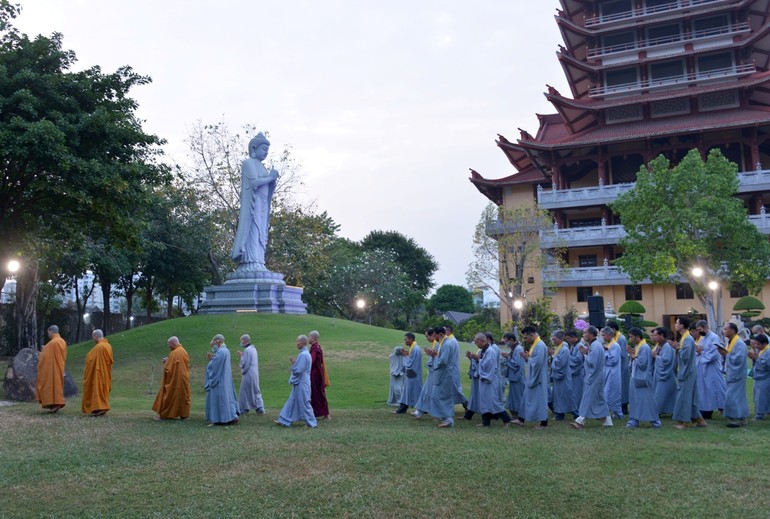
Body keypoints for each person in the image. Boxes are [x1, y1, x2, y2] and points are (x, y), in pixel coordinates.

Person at [230, 132, 279, 271]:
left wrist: (272, 180)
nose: (266, 153)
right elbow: (254, 183)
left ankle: (258, 260)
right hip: (254, 203)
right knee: (254, 229)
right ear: (253, 148)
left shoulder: (262, 167)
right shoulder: (248, 163)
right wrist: (271, 177)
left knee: (262, 231)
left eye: (267, 151)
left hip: (263, 203)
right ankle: (250, 261)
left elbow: (267, 186)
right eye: (264, 149)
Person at [571, 326, 613, 429]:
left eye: (585, 333)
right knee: (599, 399)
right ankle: (607, 421)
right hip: (593, 376)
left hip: (594, 377)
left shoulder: (596, 346)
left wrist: (584, 354)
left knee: (588, 398)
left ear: (592, 334)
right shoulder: (594, 345)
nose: (583, 335)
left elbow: (592, 362)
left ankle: (580, 420)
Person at [671, 317, 707, 430]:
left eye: (677, 323)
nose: (675, 325)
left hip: (687, 372)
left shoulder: (687, 339)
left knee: (685, 396)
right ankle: (699, 420)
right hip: (688, 371)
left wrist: (677, 348)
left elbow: (685, 356)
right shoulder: (685, 338)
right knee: (690, 397)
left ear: (682, 325)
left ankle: (684, 422)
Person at [275, 335, 317, 428]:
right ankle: (284, 420)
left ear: (302, 342)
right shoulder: (304, 353)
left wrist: (294, 363)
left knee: (304, 402)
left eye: (298, 341)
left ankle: (312, 423)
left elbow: (299, 370)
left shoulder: (304, 354)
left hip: (302, 382)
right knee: (292, 400)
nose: (296, 343)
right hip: (300, 381)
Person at [512, 326, 549, 429]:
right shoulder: (535, 344)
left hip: (538, 378)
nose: (525, 340)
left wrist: (527, 357)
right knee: (526, 398)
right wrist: (528, 357)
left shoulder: (540, 345)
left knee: (540, 400)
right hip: (532, 376)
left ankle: (543, 423)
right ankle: (521, 419)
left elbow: (537, 363)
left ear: (532, 335)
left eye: (526, 337)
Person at [471, 333, 511, 427]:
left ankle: (507, 419)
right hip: (484, 379)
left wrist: (479, 360)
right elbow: (482, 362)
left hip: (490, 379)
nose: (476, 344)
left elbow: (489, 365)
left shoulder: (491, 351)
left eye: (477, 342)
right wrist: (476, 359)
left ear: (482, 341)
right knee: (484, 401)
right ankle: (486, 422)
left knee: (493, 402)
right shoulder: (483, 350)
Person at [626, 328, 661, 428]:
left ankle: (655, 421)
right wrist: (633, 355)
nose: (630, 339)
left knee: (647, 400)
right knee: (635, 400)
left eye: (631, 337)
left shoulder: (644, 347)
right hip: (636, 377)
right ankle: (634, 419)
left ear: (638, 336)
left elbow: (643, 364)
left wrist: (633, 356)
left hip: (643, 379)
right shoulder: (639, 346)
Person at [718, 322, 749, 428]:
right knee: (738, 397)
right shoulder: (729, 342)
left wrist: (726, 355)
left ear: (733, 331)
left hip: (737, 374)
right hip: (731, 374)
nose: (724, 331)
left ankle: (735, 419)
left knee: (732, 397)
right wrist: (724, 355)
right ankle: (741, 418)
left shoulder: (739, 343)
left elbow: (738, 360)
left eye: (726, 329)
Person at [152, 336, 191, 420]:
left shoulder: (175, 353)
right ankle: (184, 415)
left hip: (175, 380)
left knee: (169, 395)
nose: (168, 346)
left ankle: (167, 413)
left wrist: (166, 362)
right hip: (183, 379)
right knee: (183, 396)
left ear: (173, 343)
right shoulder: (183, 351)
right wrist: (169, 361)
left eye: (169, 344)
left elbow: (168, 369)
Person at [204, 334, 239, 426]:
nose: (213, 347)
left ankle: (218, 420)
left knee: (219, 400)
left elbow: (214, 367)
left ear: (218, 342)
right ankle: (231, 417)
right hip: (225, 380)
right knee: (226, 399)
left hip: (219, 381)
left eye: (213, 345)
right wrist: (213, 358)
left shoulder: (221, 352)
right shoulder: (226, 351)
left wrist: (211, 361)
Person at [694, 320, 726, 419]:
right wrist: (698, 350)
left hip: (713, 368)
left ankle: (723, 408)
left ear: (705, 327)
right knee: (706, 390)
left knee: (717, 388)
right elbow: (699, 350)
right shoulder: (703, 338)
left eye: (700, 329)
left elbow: (714, 354)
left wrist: (701, 352)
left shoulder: (714, 337)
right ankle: (707, 409)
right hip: (704, 369)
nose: (699, 332)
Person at [428, 326, 458, 428]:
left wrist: (434, 356)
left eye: (436, 335)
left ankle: (448, 419)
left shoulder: (447, 343)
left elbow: (443, 361)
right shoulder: (443, 343)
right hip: (442, 374)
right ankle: (446, 418)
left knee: (438, 396)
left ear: (441, 334)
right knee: (438, 396)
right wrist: (434, 354)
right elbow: (440, 357)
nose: (435, 338)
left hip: (445, 374)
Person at [36, 325, 67, 413]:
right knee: (57, 385)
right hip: (59, 367)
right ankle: (55, 404)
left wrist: (42, 352)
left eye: (48, 332)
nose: (48, 334)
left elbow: (44, 356)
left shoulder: (52, 343)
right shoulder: (62, 341)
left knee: (51, 385)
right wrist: (45, 349)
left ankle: (54, 403)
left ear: (51, 331)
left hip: (52, 369)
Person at [81, 329, 113, 417]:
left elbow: (89, 359)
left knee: (97, 389)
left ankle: (100, 407)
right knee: (102, 390)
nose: (93, 339)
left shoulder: (98, 348)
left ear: (95, 336)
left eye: (93, 337)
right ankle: (101, 407)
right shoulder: (108, 346)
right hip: (105, 374)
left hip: (98, 373)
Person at [392, 333, 423, 414]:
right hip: (411, 374)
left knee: (414, 392)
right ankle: (403, 409)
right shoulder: (412, 348)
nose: (404, 341)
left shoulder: (415, 349)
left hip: (413, 375)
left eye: (406, 339)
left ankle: (421, 409)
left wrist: (405, 355)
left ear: (411, 339)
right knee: (407, 392)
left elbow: (411, 363)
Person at [650, 327, 677, 416]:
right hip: (659, 375)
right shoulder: (659, 346)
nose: (653, 337)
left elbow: (666, 361)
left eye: (655, 335)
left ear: (661, 335)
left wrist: (656, 357)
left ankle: (656, 412)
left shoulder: (667, 347)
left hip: (666, 376)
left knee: (660, 395)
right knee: (659, 394)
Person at [549, 330, 574, 421]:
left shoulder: (564, 349)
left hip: (562, 376)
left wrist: (552, 356)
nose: (553, 341)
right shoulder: (559, 348)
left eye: (554, 339)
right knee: (558, 396)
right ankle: (559, 414)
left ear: (560, 339)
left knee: (564, 396)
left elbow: (561, 363)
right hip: (558, 376)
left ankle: (574, 414)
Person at [237, 334, 265, 415]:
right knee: (255, 390)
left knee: (244, 391)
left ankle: (244, 409)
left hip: (248, 374)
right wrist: (243, 356)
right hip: (254, 373)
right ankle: (259, 407)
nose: (241, 342)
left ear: (245, 341)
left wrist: (241, 357)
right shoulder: (253, 349)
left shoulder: (247, 350)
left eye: (241, 341)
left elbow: (245, 363)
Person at [607, 321, 630, 415]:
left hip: (622, 366)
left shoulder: (621, 339)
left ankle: (624, 406)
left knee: (623, 387)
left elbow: (623, 355)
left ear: (613, 329)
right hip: (616, 366)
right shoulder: (614, 339)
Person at [444, 325, 468, 410]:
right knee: (453, 388)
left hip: (453, 368)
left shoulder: (452, 341)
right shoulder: (451, 340)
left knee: (456, 388)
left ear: (448, 332)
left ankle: (466, 403)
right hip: (452, 368)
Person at [502, 332, 525, 421]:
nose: (506, 343)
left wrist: (507, 357)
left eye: (506, 341)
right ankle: (515, 416)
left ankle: (520, 417)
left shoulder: (518, 349)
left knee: (518, 398)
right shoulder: (514, 348)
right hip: (513, 377)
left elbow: (517, 365)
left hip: (518, 378)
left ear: (511, 340)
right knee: (512, 399)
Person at [414, 328, 436, 419]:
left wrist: (431, 354)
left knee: (428, 392)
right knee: (426, 391)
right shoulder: (436, 344)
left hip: (435, 372)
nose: (427, 338)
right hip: (432, 371)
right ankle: (420, 410)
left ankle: (421, 411)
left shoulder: (439, 344)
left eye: (427, 336)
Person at [602, 326, 623, 419]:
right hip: (608, 372)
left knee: (612, 393)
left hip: (613, 372)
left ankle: (613, 414)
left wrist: (605, 353)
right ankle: (615, 414)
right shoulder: (608, 345)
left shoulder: (615, 346)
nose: (603, 337)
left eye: (604, 335)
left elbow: (613, 360)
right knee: (609, 393)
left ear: (610, 335)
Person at [308, 330, 330, 420]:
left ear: (313, 338)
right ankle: (322, 413)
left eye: (309, 336)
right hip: (315, 374)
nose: (308, 338)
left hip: (315, 375)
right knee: (316, 394)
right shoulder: (315, 347)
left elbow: (311, 361)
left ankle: (326, 414)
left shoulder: (316, 348)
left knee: (318, 394)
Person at [748, 333, 770, 420]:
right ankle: (766, 411)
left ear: (765, 344)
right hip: (758, 376)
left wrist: (757, 358)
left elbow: (767, 366)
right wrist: (753, 358)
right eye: (755, 344)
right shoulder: (760, 350)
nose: (756, 346)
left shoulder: (768, 352)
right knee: (757, 396)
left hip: (765, 377)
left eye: (758, 344)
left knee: (761, 397)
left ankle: (760, 415)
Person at [565, 330, 584, 418]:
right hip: (574, 373)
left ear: (573, 337)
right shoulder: (573, 346)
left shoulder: (579, 346)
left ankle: (578, 413)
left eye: (569, 338)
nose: (568, 340)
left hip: (579, 372)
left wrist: (568, 356)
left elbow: (578, 359)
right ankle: (575, 411)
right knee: (574, 393)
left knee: (578, 393)